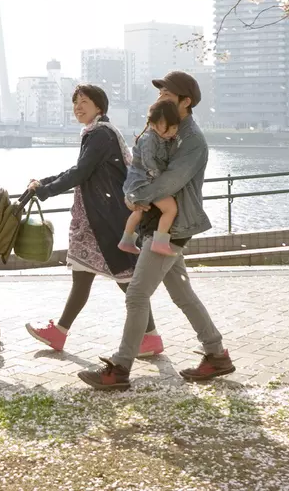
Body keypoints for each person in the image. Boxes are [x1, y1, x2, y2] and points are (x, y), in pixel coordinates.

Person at [79, 70, 234, 390]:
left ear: (186, 102)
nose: (160, 99)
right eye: (159, 95)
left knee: (136, 294)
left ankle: (120, 368)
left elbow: (169, 182)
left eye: (166, 96)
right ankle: (217, 354)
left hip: (173, 226)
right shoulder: (163, 128)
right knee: (183, 295)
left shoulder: (192, 141)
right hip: (159, 223)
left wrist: (134, 196)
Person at [24, 84, 162, 357]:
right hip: (101, 217)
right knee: (85, 276)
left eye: (84, 101)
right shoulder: (98, 133)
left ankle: (150, 337)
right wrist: (45, 182)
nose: (78, 106)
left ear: (100, 106)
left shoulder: (100, 134)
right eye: (75, 102)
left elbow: (81, 172)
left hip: (107, 219)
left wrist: (46, 190)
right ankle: (60, 332)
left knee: (126, 279)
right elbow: (80, 170)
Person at [118, 98, 181, 256]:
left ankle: (126, 240)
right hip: (145, 183)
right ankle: (159, 242)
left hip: (138, 184)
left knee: (139, 211)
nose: (174, 131)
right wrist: (161, 180)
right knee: (170, 209)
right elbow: (148, 162)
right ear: (154, 124)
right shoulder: (149, 139)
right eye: (170, 127)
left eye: (175, 127)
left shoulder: (161, 137)